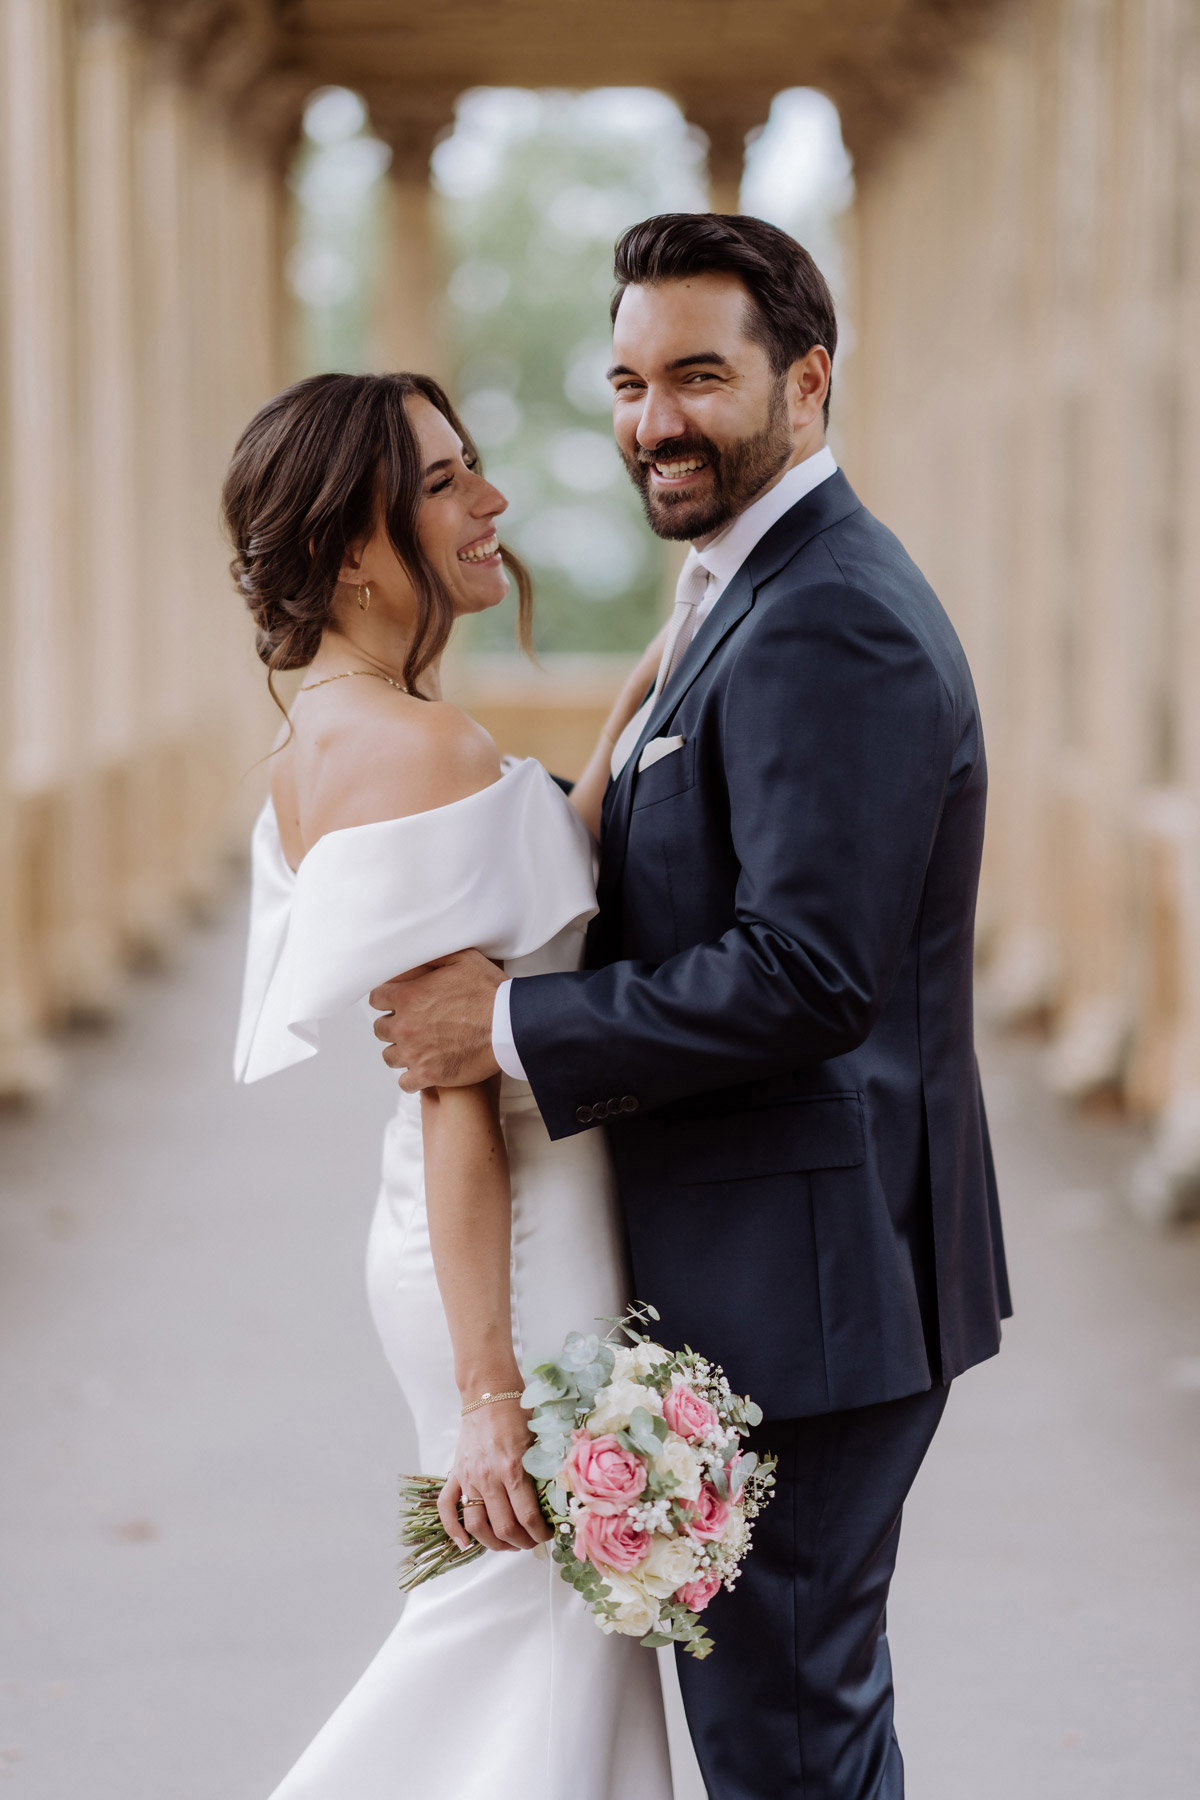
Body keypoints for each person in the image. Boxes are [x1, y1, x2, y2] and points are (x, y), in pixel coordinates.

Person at [370, 213, 1012, 1800]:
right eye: (629, 381)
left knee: (786, 1739)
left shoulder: (830, 616)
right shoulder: (743, 590)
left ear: (807, 381)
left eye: (699, 377)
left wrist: (503, 1034)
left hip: (812, 1299)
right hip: (775, 1274)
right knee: (788, 1728)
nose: (654, 421)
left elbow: (807, 973)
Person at [226, 369, 685, 1799]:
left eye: (473, 466)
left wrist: (641, 684)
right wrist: (494, 1398)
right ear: (351, 545)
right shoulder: (423, 746)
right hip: (508, 1237)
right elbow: (456, 1087)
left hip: (465, 1233)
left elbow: (527, 891)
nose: (492, 501)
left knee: (552, 1630)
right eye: (441, 482)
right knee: (527, 1610)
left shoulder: (338, 730)